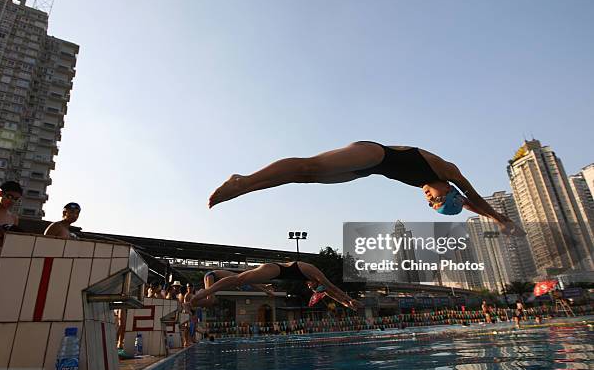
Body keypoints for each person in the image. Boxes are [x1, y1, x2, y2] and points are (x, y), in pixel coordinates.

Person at [208, 141, 524, 236]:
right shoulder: (447, 170)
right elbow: (473, 198)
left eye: (431, 206)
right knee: (309, 166)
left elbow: (466, 204)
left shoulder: (431, 183)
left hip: (364, 171)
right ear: (450, 191)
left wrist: (486, 217)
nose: (430, 201)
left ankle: (245, 188)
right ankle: (243, 181)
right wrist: (500, 219)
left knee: (303, 177)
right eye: (437, 201)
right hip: (374, 154)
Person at [189, 261, 362, 311]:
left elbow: (328, 293)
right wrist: (349, 299)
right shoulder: (315, 273)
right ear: (317, 282)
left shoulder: (313, 280)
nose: (310, 288)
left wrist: (346, 303)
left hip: (276, 273)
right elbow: (331, 287)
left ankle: (201, 296)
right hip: (274, 269)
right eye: (313, 287)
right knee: (239, 279)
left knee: (239, 280)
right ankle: (206, 292)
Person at [198, 269, 275, 307]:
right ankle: (197, 295)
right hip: (212, 276)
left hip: (211, 276)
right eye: (241, 288)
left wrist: (264, 285)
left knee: (210, 301)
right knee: (210, 299)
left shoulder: (237, 281)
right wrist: (265, 291)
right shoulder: (239, 279)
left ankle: (195, 301)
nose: (239, 289)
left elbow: (253, 284)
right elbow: (252, 283)